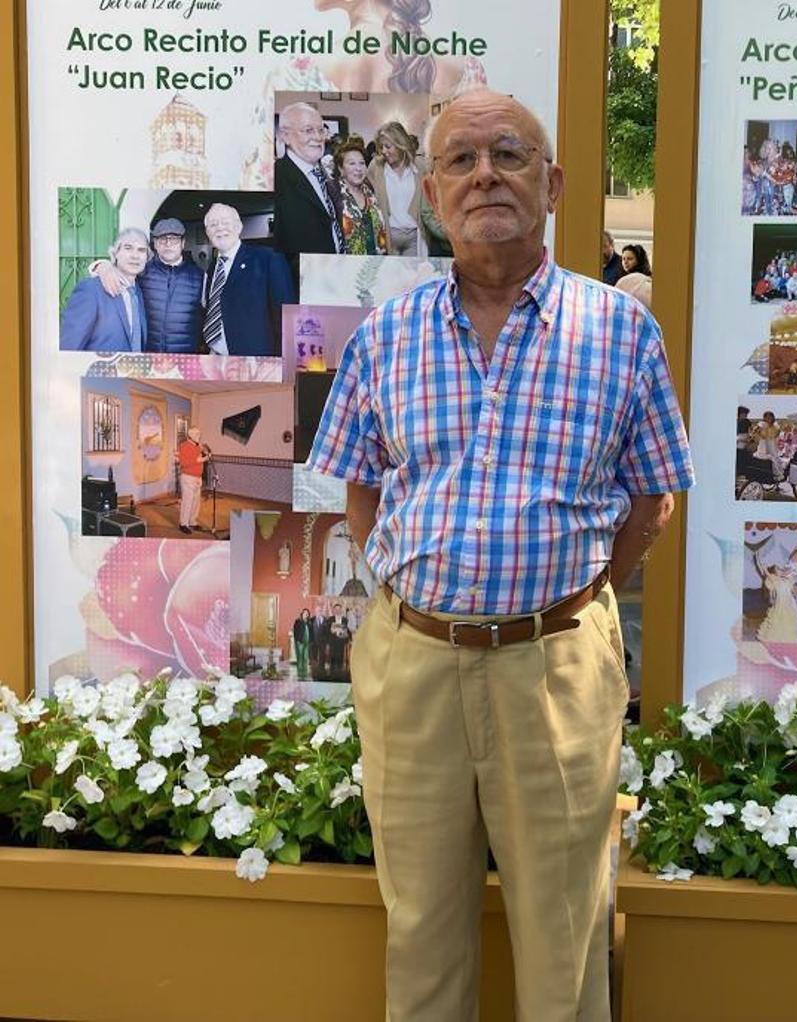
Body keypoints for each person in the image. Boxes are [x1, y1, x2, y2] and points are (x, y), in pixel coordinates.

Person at [304, 88, 693, 1019]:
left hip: (555, 668)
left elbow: (655, 498)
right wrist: (406, 597)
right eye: (462, 161)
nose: (486, 175)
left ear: (551, 183)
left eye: (509, 155)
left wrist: (576, 604)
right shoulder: (386, 338)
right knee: (422, 931)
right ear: (434, 196)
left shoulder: (620, 329)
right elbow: (358, 488)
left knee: (565, 942)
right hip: (415, 667)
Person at [90, 217, 206, 354]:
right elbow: (119, 268)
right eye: (162, 239)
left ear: (183, 243)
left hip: (184, 358)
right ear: (155, 244)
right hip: (147, 357)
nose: (168, 244)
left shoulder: (200, 276)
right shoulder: (141, 270)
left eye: (174, 239)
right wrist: (102, 266)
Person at [200, 203, 296, 357]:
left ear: (239, 226)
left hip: (254, 363)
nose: (219, 228)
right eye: (213, 224)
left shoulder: (268, 259)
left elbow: (286, 318)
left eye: (225, 222)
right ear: (207, 232)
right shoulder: (212, 268)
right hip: (214, 357)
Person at [273, 102, 345, 280]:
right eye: (308, 130)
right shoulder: (276, 178)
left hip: (336, 276)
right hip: (303, 284)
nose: (318, 137)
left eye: (321, 130)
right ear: (285, 136)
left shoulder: (325, 175)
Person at [60, 228, 149, 352]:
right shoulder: (91, 290)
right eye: (128, 248)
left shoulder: (137, 292)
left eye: (141, 250)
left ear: (147, 258)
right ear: (115, 253)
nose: (135, 256)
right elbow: (69, 347)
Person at [366, 120, 427, 256]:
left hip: (414, 236)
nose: (384, 152)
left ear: (401, 144)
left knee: (412, 276)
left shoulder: (420, 167)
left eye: (388, 147)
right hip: (388, 235)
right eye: (381, 147)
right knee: (390, 276)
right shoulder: (376, 166)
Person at [334, 137, 389, 256]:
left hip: (375, 261)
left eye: (362, 163)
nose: (358, 168)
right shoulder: (334, 195)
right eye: (352, 163)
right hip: (346, 265)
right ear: (341, 168)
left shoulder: (369, 192)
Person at [175, 427, 209, 534]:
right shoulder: (184, 446)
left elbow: (199, 458)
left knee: (195, 502)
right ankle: (183, 524)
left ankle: (192, 522)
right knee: (187, 502)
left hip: (197, 478)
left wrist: (205, 455)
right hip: (188, 477)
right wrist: (199, 460)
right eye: (197, 434)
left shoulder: (198, 446)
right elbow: (184, 463)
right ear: (191, 435)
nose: (199, 435)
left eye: (199, 433)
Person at [292, 608, 313, 679]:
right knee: (300, 657)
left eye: (307, 613)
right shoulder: (298, 621)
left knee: (305, 657)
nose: (306, 614)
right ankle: (300, 672)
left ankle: (305, 672)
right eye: (305, 613)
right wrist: (297, 640)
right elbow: (295, 631)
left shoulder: (309, 622)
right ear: (302, 614)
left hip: (307, 643)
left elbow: (311, 632)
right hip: (300, 642)